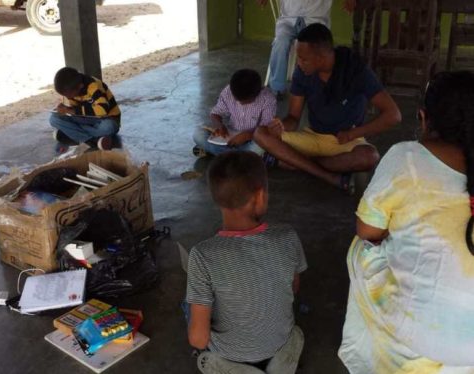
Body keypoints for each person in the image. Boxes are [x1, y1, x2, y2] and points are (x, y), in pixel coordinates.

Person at [339, 71, 474, 372]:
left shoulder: (407, 158)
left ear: (424, 119)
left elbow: (367, 231)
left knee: (360, 250)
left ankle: (383, 357)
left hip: (419, 333)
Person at [186, 151, 306, 374]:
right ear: (260, 196)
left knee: (191, 308)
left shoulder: (202, 255)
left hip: (230, 353)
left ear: (215, 197)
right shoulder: (288, 237)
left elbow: (198, 339)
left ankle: (234, 367)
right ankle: (276, 363)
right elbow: (293, 288)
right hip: (278, 343)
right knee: (296, 333)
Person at [254, 23, 401, 192]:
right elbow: (293, 119)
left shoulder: (355, 70)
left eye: (303, 59)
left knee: (369, 157)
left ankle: (294, 162)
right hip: (313, 138)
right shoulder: (302, 73)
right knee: (260, 133)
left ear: (320, 58)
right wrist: (280, 127)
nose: (299, 63)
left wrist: (354, 133)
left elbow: (393, 115)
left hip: (345, 142)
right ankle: (329, 175)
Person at [257, 0, 357, 97]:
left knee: (315, 46)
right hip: (288, 19)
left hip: (315, 18)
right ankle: (277, 89)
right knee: (280, 42)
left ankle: (315, 87)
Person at [192, 69, 276, 157]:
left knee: (258, 148)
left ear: (257, 93)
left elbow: (266, 130)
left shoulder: (268, 99)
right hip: (229, 136)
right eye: (237, 99)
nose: (240, 103)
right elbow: (215, 113)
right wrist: (219, 125)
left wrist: (247, 135)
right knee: (198, 135)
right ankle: (238, 157)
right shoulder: (229, 91)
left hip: (252, 139)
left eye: (245, 101)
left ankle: (219, 154)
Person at [50, 67, 121, 153]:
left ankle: (72, 135)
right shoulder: (71, 89)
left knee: (108, 127)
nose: (68, 97)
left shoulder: (94, 86)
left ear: (80, 86)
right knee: (54, 119)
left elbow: (103, 109)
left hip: (106, 118)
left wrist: (73, 111)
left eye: (69, 95)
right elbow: (75, 110)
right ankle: (93, 141)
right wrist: (64, 109)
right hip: (86, 119)